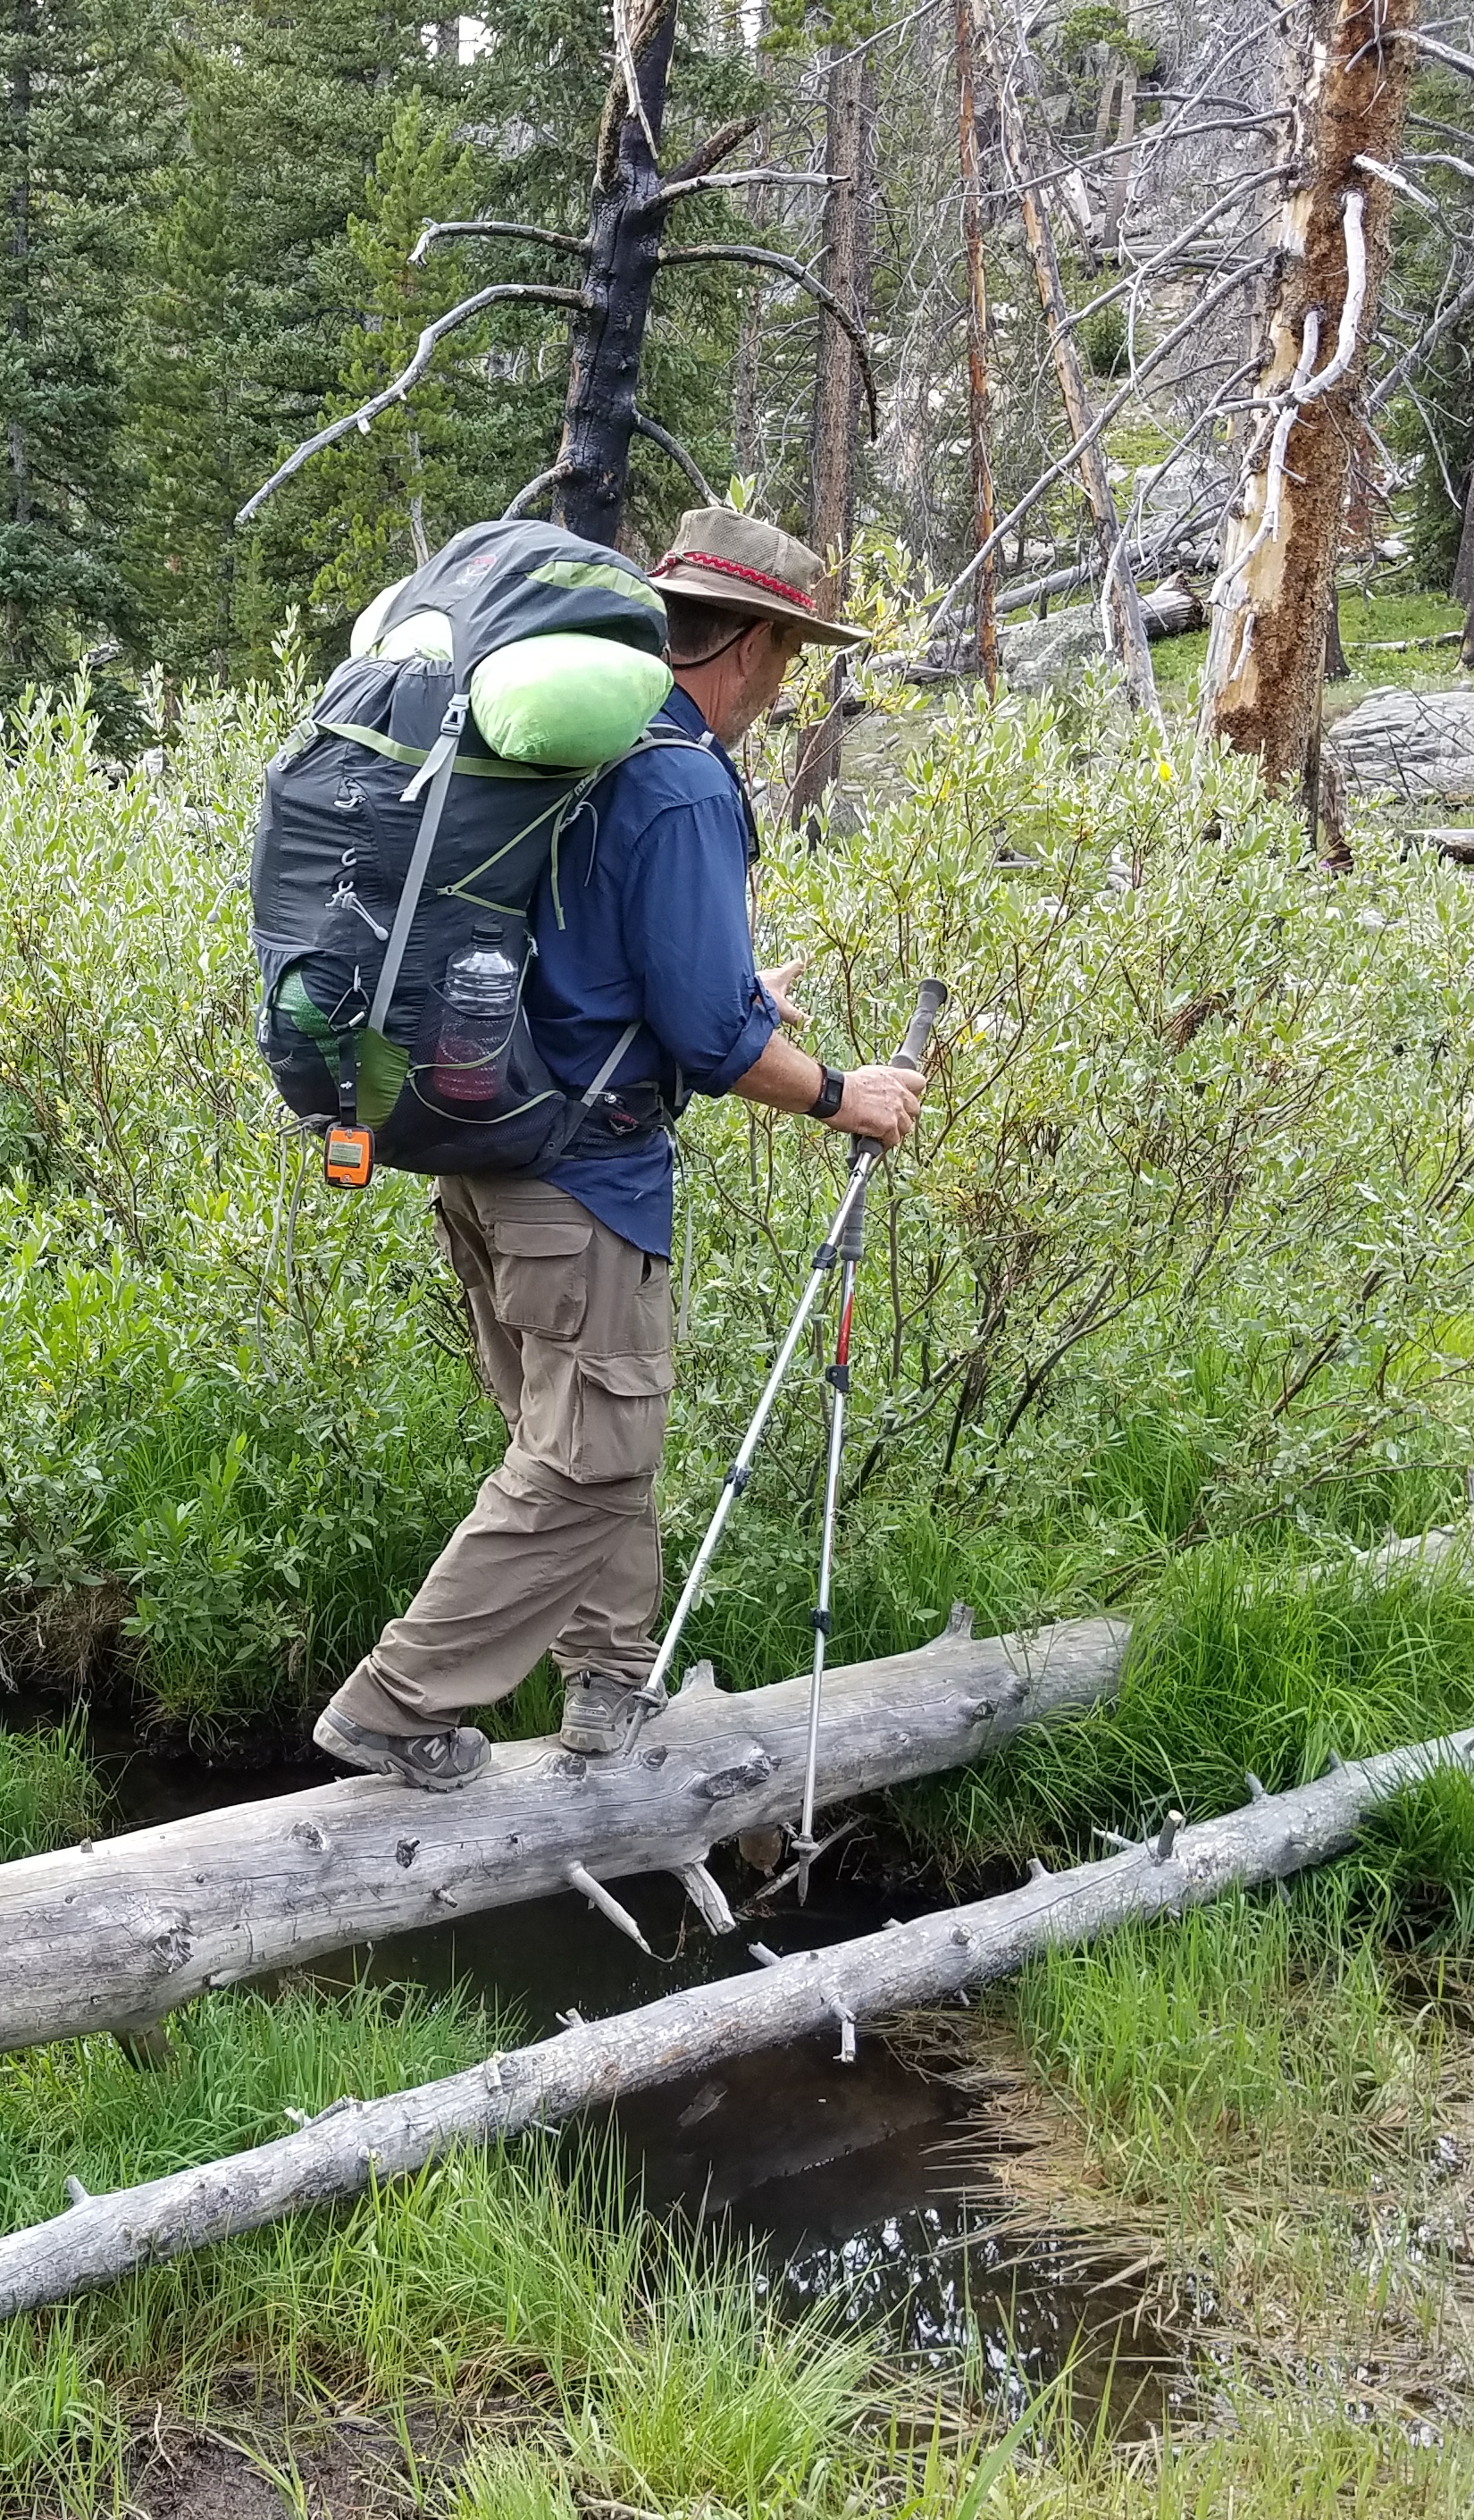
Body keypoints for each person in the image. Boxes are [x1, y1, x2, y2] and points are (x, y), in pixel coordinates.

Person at [312, 508, 927, 1793]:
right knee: (589, 1456)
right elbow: (711, 1039)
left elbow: (594, 964)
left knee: (593, 1442)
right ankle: (394, 1703)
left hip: (487, 1152)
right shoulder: (683, 776)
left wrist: (736, 989)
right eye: (793, 653)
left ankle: (607, 1685)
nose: (787, 680)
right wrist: (839, 1097)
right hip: (580, 1181)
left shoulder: (575, 751)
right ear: (755, 641)